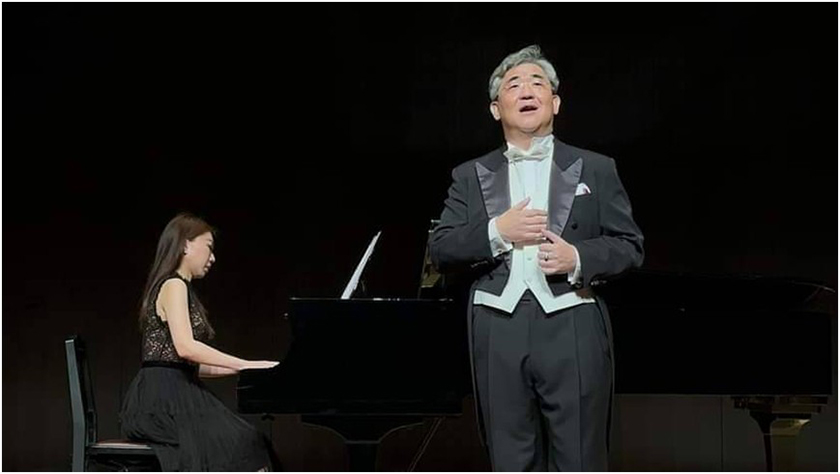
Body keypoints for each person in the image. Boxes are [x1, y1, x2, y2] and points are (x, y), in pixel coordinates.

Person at [430, 45, 644, 471]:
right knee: (510, 457)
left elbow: (630, 245)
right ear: (496, 109)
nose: (526, 90)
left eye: (537, 83)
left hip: (572, 319)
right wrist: (498, 231)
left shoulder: (596, 168)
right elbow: (442, 248)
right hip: (498, 324)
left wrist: (577, 256)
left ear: (555, 102)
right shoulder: (469, 175)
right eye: (514, 84)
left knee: (580, 456)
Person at [120, 212, 280, 471]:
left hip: (169, 393)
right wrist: (245, 364)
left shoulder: (178, 287)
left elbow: (187, 363)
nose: (213, 257)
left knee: (247, 440)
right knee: (243, 443)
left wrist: (249, 369)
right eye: (208, 247)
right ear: (186, 245)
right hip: (162, 401)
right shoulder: (174, 285)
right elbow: (186, 348)